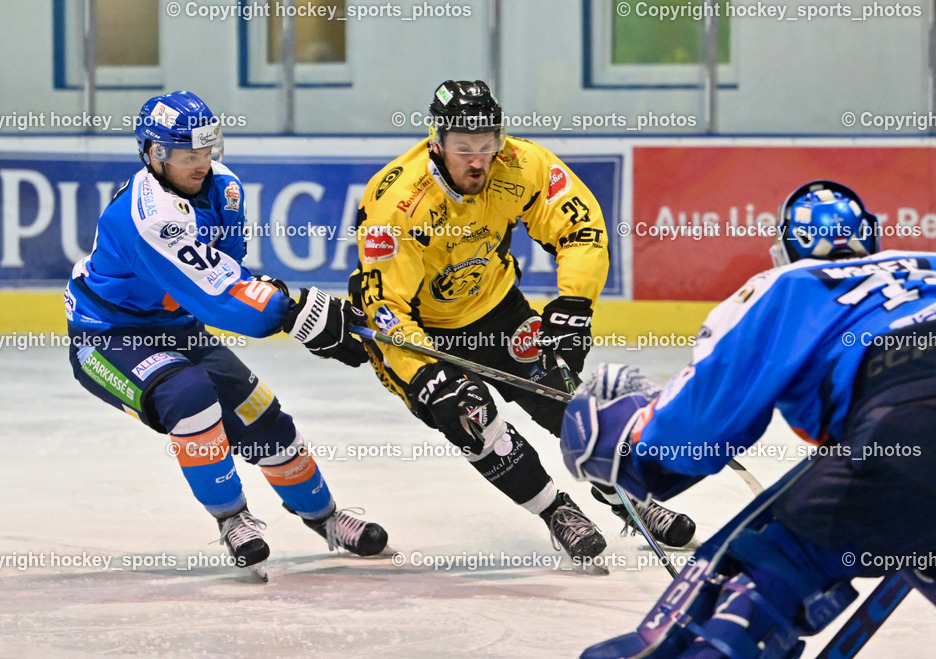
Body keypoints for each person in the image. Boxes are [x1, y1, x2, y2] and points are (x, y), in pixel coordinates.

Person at [562, 180, 936, 656]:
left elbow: (695, 432)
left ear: (787, 248)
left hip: (908, 427)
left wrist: (628, 440)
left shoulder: (791, 284)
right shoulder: (930, 265)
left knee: (768, 567)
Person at [350, 79, 696, 563]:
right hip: (421, 335)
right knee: (470, 418)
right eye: (463, 148)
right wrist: (424, 374)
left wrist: (574, 304)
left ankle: (628, 498)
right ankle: (557, 512)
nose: (477, 160)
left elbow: (579, 228)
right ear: (437, 142)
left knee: (567, 399)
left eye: (486, 146)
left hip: (496, 308)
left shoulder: (522, 163)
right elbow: (385, 309)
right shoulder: (399, 202)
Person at [65, 90, 387, 573]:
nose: (202, 164)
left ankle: (326, 517)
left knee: (265, 421)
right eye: (188, 155)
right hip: (110, 336)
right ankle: (233, 519)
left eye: (207, 151)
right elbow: (217, 297)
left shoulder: (225, 188)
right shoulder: (147, 216)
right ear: (155, 154)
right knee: (189, 394)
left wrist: (280, 299)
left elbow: (226, 272)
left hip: (178, 325)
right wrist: (294, 312)